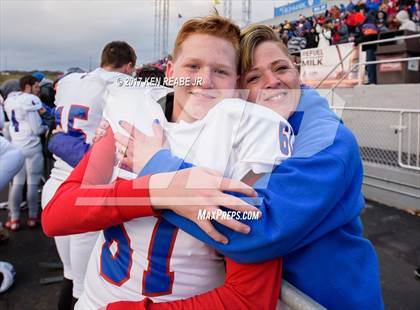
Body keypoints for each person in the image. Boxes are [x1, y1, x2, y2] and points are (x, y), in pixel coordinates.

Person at [45, 22, 383, 309]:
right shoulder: (130, 123)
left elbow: (255, 250)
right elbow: (58, 213)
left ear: (234, 85)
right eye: (192, 67)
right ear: (170, 71)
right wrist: (153, 190)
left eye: (220, 71)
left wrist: (162, 179)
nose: (204, 80)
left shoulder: (254, 146)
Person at [41, 41, 136, 310]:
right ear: (128, 66)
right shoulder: (120, 82)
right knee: (83, 291)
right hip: (86, 191)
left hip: (56, 186)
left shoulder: (70, 80)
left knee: (71, 278)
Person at [3, 75, 47, 230]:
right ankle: (33, 217)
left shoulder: (11, 100)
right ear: (27, 87)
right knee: (33, 183)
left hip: (16, 146)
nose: (38, 90)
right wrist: (46, 129)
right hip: (32, 146)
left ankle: (14, 219)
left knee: (17, 184)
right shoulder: (29, 101)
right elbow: (36, 129)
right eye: (36, 86)